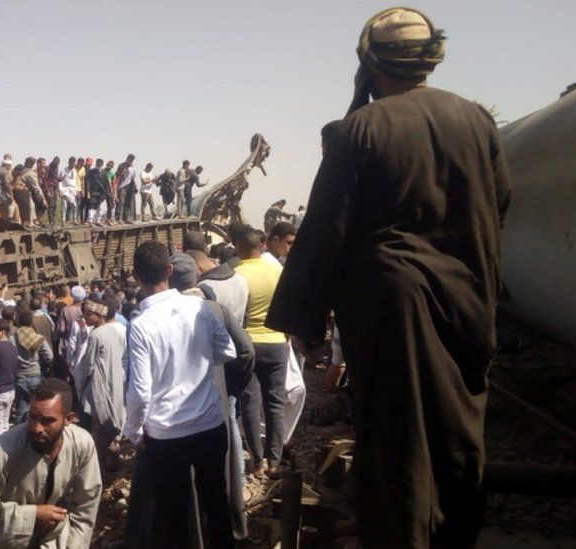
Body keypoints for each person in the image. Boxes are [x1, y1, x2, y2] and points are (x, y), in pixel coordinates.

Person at [266, 8, 511, 548]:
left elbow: (327, 228)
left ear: (371, 62)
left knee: (397, 444)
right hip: (468, 303)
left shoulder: (362, 128)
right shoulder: (477, 121)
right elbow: (499, 206)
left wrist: (303, 318)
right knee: (458, 432)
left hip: (391, 311)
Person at [123, 241, 236, 548]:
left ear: (136, 276)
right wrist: (195, 364)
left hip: (166, 434)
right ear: (169, 270)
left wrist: (134, 432)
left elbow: (141, 390)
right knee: (216, 502)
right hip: (209, 425)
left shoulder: (141, 325)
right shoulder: (199, 307)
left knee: (174, 513)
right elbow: (228, 349)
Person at [0, 378, 102, 548]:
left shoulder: (81, 445)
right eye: (33, 417)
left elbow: (86, 507)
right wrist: (33, 515)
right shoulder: (3, 450)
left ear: (69, 419)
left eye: (47, 420)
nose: (37, 428)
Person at [233, 224, 289, 479]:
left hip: (248, 345)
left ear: (239, 247)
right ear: (262, 245)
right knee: (275, 404)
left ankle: (257, 461)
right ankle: (275, 461)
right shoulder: (277, 271)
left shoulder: (235, 274)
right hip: (277, 342)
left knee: (250, 404)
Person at [71, 296, 126, 473]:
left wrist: (81, 384)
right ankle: (114, 460)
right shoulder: (111, 330)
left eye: (88, 314)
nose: (84, 318)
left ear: (98, 315)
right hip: (115, 382)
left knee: (99, 429)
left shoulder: (96, 335)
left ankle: (99, 471)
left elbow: (88, 367)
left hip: (99, 387)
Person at [187, 248, 249, 327]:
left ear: (197, 268)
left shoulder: (202, 289)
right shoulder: (241, 279)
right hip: (239, 334)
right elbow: (246, 317)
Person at [12, 308, 53, 423]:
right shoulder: (38, 338)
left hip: (19, 376)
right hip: (35, 374)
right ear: (31, 322)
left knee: (21, 409)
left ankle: (20, 436)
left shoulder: (13, 337)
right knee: (38, 408)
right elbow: (50, 356)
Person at [86, 158, 111, 225]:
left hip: (102, 193)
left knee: (101, 207)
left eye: (100, 164)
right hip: (93, 192)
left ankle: (98, 221)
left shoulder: (104, 173)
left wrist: (107, 192)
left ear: (102, 165)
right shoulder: (91, 172)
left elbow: (107, 184)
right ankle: (90, 220)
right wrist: (88, 191)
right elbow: (87, 182)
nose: (98, 165)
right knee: (92, 206)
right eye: (98, 163)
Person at [59, 157, 79, 225]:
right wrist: (60, 190)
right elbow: (60, 181)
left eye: (74, 163)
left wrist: (77, 190)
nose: (73, 164)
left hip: (72, 190)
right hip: (65, 189)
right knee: (64, 206)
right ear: (69, 162)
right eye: (71, 163)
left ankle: (75, 220)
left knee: (74, 206)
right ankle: (63, 220)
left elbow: (75, 181)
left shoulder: (74, 171)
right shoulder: (63, 170)